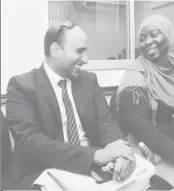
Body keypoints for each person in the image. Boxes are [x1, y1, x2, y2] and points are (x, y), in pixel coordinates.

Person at [4, 21, 135, 189]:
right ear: (55, 50)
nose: (86, 60)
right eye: (79, 51)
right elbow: (31, 142)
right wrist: (95, 155)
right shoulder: (22, 86)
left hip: (93, 172)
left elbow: (107, 123)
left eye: (86, 51)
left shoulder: (89, 81)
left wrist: (121, 153)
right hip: (44, 172)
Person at [117, 15, 174, 165]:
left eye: (154, 35)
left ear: (168, 35)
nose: (147, 42)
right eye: (142, 39)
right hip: (158, 152)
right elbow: (136, 122)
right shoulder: (137, 73)